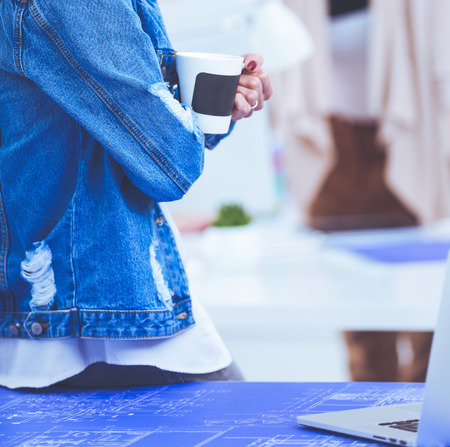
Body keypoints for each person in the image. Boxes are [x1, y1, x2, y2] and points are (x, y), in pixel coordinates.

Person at [0, 0, 272, 389]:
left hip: (65, 314)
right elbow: (168, 165)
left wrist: (215, 103)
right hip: (110, 325)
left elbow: (124, 133)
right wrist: (186, 120)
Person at [272, 0, 450, 382]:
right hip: (336, 156)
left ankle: (426, 428)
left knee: (429, 319)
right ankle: (375, 430)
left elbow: (444, 69)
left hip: (407, 150)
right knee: (363, 324)